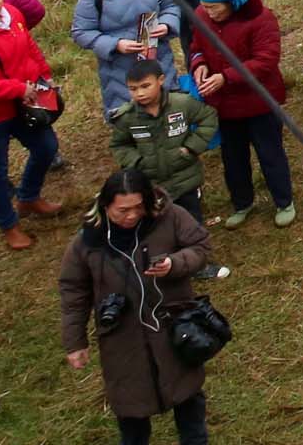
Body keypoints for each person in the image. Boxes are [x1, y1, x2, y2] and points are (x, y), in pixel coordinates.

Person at [56, 170, 215, 445]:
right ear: (106, 206)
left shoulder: (172, 217)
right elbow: (73, 292)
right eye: (122, 210)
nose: (131, 216)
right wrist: (75, 342)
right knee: (131, 419)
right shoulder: (86, 243)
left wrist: (175, 264)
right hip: (122, 343)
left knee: (189, 403)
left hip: (175, 330)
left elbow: (200, 247)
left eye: (138, 207)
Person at [183, 0, 294, 228]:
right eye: (204, 6)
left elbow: (266, 61)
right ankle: (242, 203)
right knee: (233, 159)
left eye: (213, 7)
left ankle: (283, 200)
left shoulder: (262, 19)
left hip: (259, 104)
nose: (208, 12)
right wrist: (198, 64)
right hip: (224, 106)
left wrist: (226, 77)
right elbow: (195, 46)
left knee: (270, 154)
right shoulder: (202, 15)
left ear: (233, 2)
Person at [105, 60, 216, 232]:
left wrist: (191, 147)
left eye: (145, 86)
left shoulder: (182, 103)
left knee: (193, 227)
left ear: (161, 80)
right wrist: (137, 162)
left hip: (185, 180)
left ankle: (197, 255)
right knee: (158, 229)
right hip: (151, 185)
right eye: (133, 89)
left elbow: (208, 118)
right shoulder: (127, 117)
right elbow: (119, 144)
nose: (140, 93)